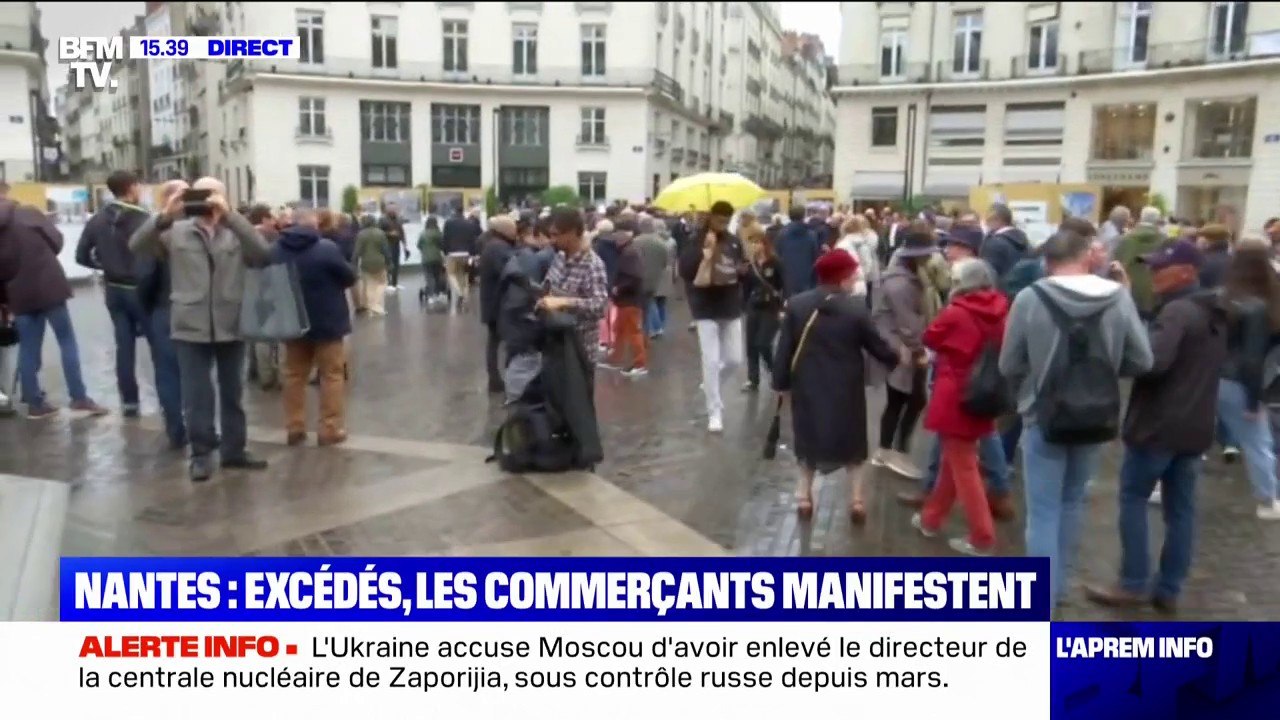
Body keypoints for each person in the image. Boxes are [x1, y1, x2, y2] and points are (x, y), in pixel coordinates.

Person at [999, 229, 1153, 608]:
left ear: (1047, 262)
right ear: (1087, 256)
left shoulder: (1030, 299)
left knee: (1043, 511)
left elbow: (1008, 363)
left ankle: (1041, 602)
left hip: (1042, 414)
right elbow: (1143, 360)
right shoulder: (1118, 297)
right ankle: (1059, 588)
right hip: (1096, 415)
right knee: (1072, 503)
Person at [1084, 240, 1228, 613]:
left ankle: (1133, 582)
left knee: (1133, 499)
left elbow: (1152, 362)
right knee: (1181, 511)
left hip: (1158, 426)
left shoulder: (1178, 312)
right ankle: (1169, 587)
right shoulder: (1213, 310)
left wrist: (1125, 352)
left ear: (1186, 272)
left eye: (1160, 267)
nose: (1153, 273)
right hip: (1195, 427)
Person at [129, 177, 271, 482]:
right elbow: (136, 245)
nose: (207, 200)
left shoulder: (236, 232)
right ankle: (201, 454)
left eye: (214, 194)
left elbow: (262, 253)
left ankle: (234, 451)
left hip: (231, 322)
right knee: (197, 396)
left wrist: (231, 215)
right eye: (202, 194)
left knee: (233, 392)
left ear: (224, 197)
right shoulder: (175, 232)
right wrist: (165, 214)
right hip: (189, 324)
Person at [773, 250, 904, 522]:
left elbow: (784, 349)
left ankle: (803, 497)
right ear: (842, 277)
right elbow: (876, 346)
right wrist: (896, 358)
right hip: (846, 385)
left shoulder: (797, 305)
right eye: (853, 272)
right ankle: (856, 500)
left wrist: (780, 383)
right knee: (853, 442)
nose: (857, 276)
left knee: (807, 439)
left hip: (807, 383)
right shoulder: (856, 308)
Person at [912, 259, 1009, 555]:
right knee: (953, 461)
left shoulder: (956, 312)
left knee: (964, 466)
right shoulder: (1002, 307)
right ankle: (931, 519)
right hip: (985, 392)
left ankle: (982, 536)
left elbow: (929, 337)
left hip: (956, 394)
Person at [0, 195, 107, 419]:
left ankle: (34, 403)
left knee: (28, 347)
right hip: (48, 283)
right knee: (66, 340)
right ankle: (79, 397)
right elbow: (56, 240)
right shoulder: (28, 212)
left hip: (17, 291)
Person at [271, 207, 356, 446]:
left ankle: (294, 426)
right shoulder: (326, 248)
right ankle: (329, 428)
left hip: (293, 320)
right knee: (331, 375)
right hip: (328, 321)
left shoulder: (276, 249)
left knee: (294, 375)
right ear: (314, 224)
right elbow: (349, 277)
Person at [74, 170, 152, 416]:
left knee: (124, 347)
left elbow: (81, 255)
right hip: (140, 289)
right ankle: (169, 400)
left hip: (114, 290)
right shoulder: (142, 219)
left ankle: (129, 402)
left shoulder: (97, 219)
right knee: (159, 345)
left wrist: (103, 265)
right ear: (131, 188)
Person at [1217, 238, 1280, 520]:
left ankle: (1161, 486)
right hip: (1238, 382)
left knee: (1187, 437)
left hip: (1209, 376)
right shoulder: (1260, 305)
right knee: (1258, 443)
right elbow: (1252, 358)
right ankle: (1267, 500)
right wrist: (1254, 400)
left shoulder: (1223, 297)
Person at [871, 225, 936, 479]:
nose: (930, 257)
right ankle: (893, 451)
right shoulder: (902, 283)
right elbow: (908, 322)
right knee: (909, 399)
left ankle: (888, 450)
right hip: (902, 349)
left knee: (901, 399)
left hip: (896, 346)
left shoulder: (900, 277)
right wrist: (919, 350)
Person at [678, 201, 747, 433]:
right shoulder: (696, 239)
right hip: (705, 306)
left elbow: (742, 268)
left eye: (727, 220)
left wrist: (745, 270)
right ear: (710, 217)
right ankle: (714, 411)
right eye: (719, 219)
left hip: (730, 305)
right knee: (710, 359)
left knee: (735, 359)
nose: (723, 224)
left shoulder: (734, 241)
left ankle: (710, 385)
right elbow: (685, 271)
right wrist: (703, 253)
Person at [133, 179, 190, 448]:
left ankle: (178, 428)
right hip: (172, 309)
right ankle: (187, 427)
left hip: (164, 308)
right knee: (186, 372)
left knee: (170, 373)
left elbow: (144, 278)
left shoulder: (157, 232)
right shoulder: (165, 230)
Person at [539, 207, 608, 365]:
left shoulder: (593, 264)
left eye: (556, 234)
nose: (552, 240)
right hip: (555, 344)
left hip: (579, 351)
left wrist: (564, 302)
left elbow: (600, 306)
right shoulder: (559, 257)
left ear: (571, 232)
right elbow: (548, 286)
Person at [479, 216, 519, 392]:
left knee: (494, 342)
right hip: (499, 303)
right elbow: (511, 271)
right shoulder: (498, 248)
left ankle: (495, 378)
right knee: (506, 341)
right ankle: (499, 379)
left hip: (492, 302)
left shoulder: (491, 245)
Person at [742, 229, 785, 391]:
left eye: (757, 242)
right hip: (753, 306)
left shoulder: (775, 262)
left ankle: (775, 372)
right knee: (751, 345)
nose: (754, 246)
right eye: (751, 242)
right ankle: (753, 379)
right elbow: (745, 288)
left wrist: (783, 307)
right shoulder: (749, 264)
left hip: (771, 307)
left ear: (764, 243)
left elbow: (785, 284)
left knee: (763, 343)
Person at [1113, 206, 1168, 321]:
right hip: (1155, 289)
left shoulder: (1126, 239)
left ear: (1141, 218)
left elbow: (1115, 263)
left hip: (1130, 288)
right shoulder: (1165, 240)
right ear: (1158, 220)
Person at [634, 216, 674, 339]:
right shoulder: (661, 243)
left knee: (648, 305)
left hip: (641, 277)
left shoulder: (636, 242)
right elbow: (666, 262)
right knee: (658, 303)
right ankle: (660, 326)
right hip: (657, 277)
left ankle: (653, 328)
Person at [777, 206, 822, 298]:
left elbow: (778, 254)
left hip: (787, 275)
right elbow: (816, 255)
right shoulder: (811, 234)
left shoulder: (782, 234)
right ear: (803, 216)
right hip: (807, 275)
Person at [442, 207, 480, 311]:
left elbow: (445, 238)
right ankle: (465, 298)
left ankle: (459, 293)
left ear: (454, 212)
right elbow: (473, 240)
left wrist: (445, 252)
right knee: (464, 275)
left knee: (451, 274)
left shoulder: (448, 223)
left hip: (452, 253)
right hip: (466, 253)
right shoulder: (469, 224)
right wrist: (473, 253)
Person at [836, 215, 880, 302]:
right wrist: (861, 275)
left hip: (847, 281)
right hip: (861, 281)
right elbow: (867, 263)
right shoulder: (863, 242)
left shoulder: (844, 243)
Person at [981, 203, 1030, 281]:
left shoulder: (994, 243)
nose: (986, 223)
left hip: (1000, 290)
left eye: (988, 219)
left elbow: (989, 274)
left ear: (997, 220)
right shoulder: (1022, 239)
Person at [353, 215, 391, 316]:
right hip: (380, 262)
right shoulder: (380, 233)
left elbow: (357, 251)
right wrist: (389, 262)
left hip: (366, 263)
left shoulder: (361, 234)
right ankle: (376, 306)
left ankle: (372, 308)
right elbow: (385, 249)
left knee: (369, 286)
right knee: (382, 283)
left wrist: (354, 264)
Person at [379, 203, 409, 291]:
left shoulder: (398, 219)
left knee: (396, 263)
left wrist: (405, 246)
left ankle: (395, 283)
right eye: (392, 209)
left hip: (396, 244)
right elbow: (379, 232)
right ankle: (388, 283)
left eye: (395, 209)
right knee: (389, 263)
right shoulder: (382, 220)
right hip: (387, 244)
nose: (394, 211)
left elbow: (402, 232)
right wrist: (389, 233)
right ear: (387, 210)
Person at [1196, 223, 1232, 290]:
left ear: (1208, 240)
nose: (1198, 240)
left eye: (1200, 237)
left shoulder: (1205, 261)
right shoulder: (1232, 259)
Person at [418, 216, 446, 300]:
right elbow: (442, 245)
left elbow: (419, 245)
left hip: (426, 259)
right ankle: (438, 292)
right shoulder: (438, 233)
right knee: (437, 275)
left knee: (429, 276)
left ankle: (431, 295)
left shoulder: (423, 233)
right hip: (437, 258)